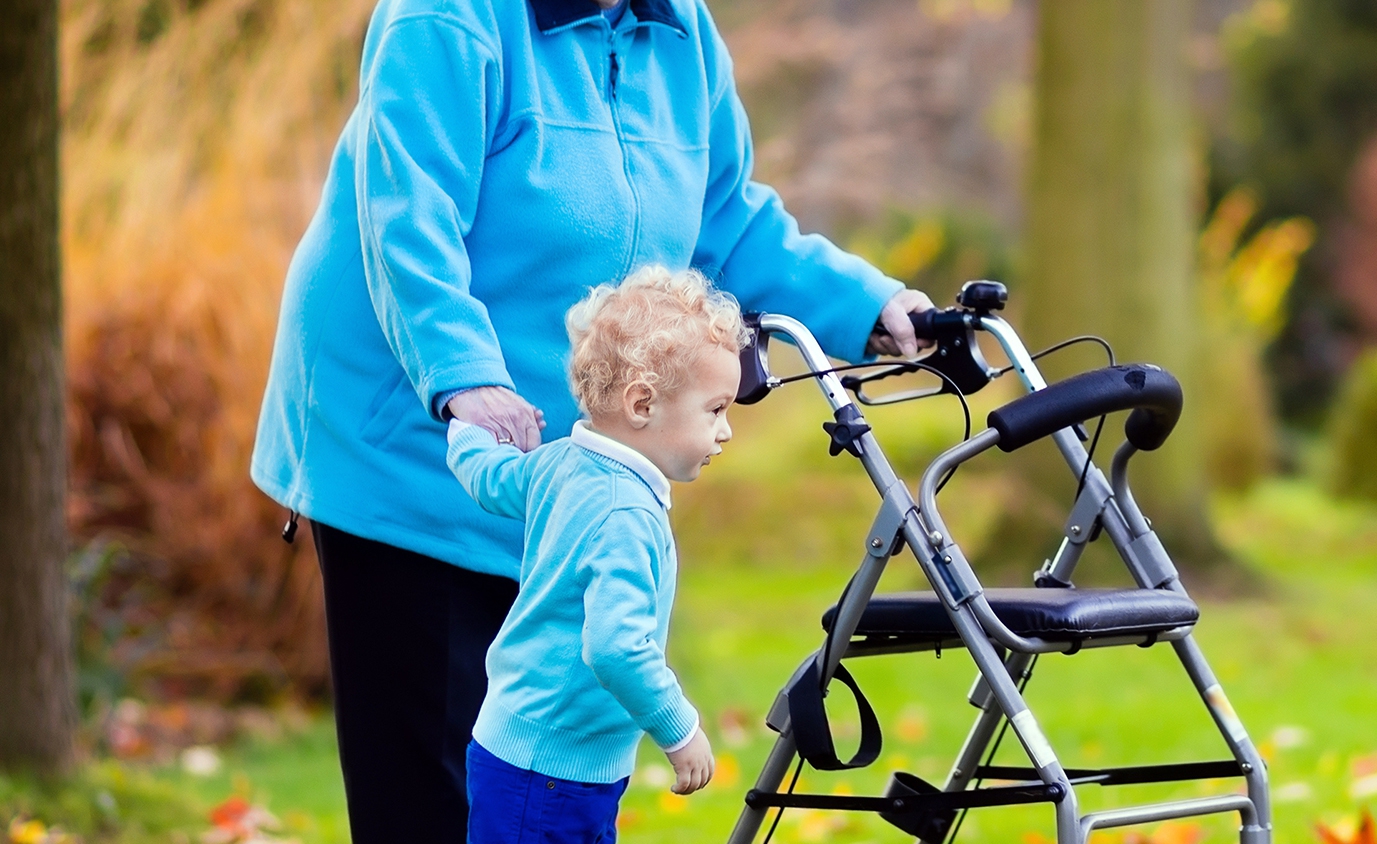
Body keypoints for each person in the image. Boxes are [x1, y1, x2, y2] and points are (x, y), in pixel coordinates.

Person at [251, 0, 933, 839]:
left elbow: (729, 223)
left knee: (537, 793)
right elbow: (407, 214)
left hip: (565, 470)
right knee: (431, 797)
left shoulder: (679, 30)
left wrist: (875, 306)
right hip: (413, 448)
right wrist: (464, 379)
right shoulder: (449, 18)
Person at [448, 266, 738, 842]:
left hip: (528, 754)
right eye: (715, 410)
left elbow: (489, 478)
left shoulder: (562, 464)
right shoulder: (623, 513)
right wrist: (681, 730)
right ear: (641, 404)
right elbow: (615, 647)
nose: (726, 431)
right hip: (549, 773)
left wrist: (467, 430)